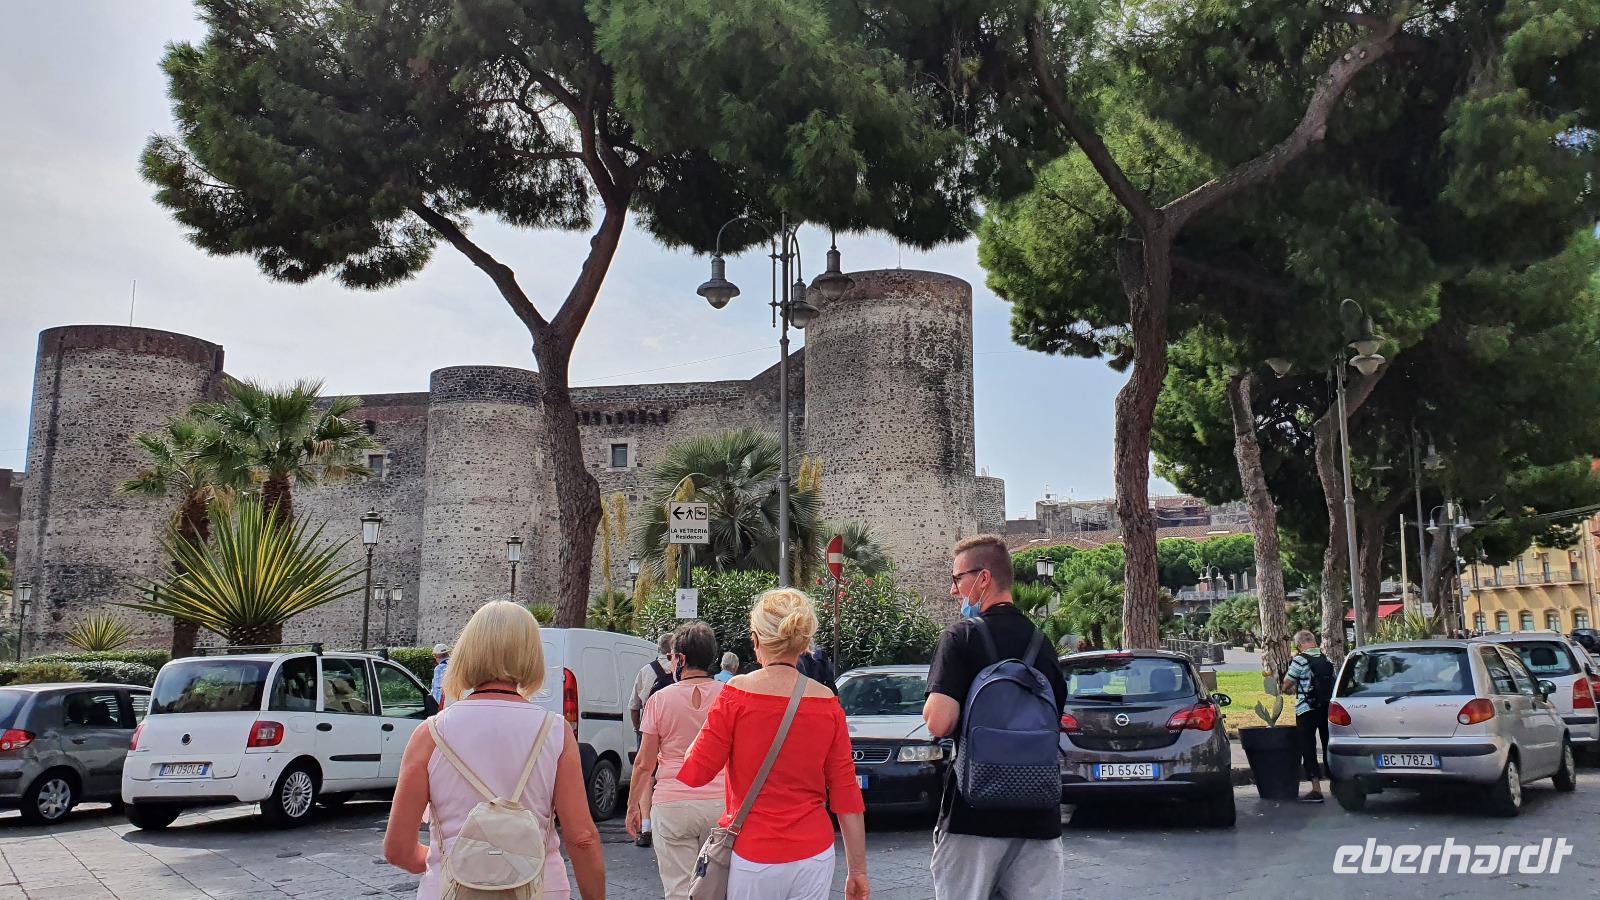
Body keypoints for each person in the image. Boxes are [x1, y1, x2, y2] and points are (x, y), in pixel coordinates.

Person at [383, 601, 604, 900]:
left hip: (450, 889)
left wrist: (459, 861)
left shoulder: (429, 734)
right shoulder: (554, 731)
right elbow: (582, 839)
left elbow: (397, 849)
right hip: (539, 888)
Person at [679, 588, 869, 900]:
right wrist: (858, 870)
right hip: (814, 854)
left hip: (753, 853)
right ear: (804, 643)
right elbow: (846, 793)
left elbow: (695, 772)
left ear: (755, 640)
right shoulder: (827, 703)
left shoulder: (736, 694)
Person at [923, 534, 1067, 900]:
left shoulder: (960, 638)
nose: (954, 591)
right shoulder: (1042, 643)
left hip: (973, 816)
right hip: (1038, 815)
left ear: (982, 579)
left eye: (957, 579)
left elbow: (939, 722)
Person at [626, 620, 727, 900]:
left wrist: (633, 806)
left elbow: (645, 763)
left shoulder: (659, 701)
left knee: (679, 891)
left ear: (680, 659)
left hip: (672, 803)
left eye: (671, 658)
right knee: (719, 891)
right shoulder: (729, 697)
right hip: (721, 803)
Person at [628, 633, 675, 848]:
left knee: (647, 774)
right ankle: (669, 826)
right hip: (674, 729)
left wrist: (638, 727)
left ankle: (646, 827)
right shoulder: (679, 670)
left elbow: (634, 705)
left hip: (649, 729)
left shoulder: (646, 671)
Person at [1282, 629, 1334, 802]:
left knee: (1308, 747)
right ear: (1313, 641)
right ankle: (1335, 783)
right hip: (1325, 708)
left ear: (1299, 645)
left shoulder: (1300, 660)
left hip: (1306, 709)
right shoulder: (1326, 658)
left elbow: (1286, 683)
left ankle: (1316, 789)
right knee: (1328, 744)